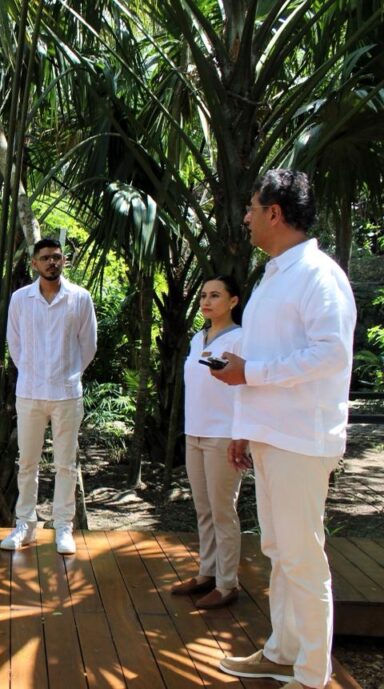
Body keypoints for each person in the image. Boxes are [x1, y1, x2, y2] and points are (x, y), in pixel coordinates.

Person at [213, 170, 356, 689]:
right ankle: (283, 652)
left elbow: (331, 353)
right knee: (278, 550)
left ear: (274, 213)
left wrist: (251, 373)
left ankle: (313, 675)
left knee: (302, 557)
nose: (246, 217)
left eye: (253, 207)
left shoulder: (319, 274)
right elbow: (264, 354)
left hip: (300, 438)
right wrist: (243, 426)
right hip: (270, 434)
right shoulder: (275, 274)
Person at [1, 237, 97, 554]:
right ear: (34, 263)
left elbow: (88, 345)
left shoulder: (80, 298)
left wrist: (68, 374)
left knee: (65, 464)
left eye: (56, 257)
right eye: (45, 258)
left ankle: (63, 527)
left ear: (64, 260)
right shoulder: (20, 299)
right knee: (27, 462)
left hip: (66, 393)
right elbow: (15, 344)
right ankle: (25, 525)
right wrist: (33, 372)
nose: (51, 262)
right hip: (29, 392)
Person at [173, 275, 245, 608]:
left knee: (222, 510)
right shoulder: (197, 338)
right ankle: (207, 572)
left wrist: (241, 435)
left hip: (223, 435)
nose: (206, 301)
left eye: (215, 295)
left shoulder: (241, 339)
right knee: (203, 508)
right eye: (203, 295)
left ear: (233, 301)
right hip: (195, 432)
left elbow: (247, 389)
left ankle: (228, 584)